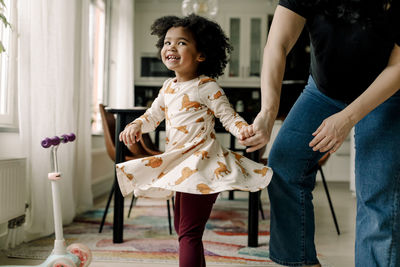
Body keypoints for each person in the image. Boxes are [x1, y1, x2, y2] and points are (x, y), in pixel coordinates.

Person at [239, 0, 400, 266]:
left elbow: (397, 67)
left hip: (386, 94)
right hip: (323, 91)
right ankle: (300, 262)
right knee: (284, 164)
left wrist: (348, 117)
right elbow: (277, 44)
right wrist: (268, 112)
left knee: (376, 193)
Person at [116, 14, 273, 267]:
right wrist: (136, 125)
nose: (171, 48)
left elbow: (228, 116)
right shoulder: (168, 87)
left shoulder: (206, 86)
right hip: (180, 167)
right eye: (167, 43)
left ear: (201, 55)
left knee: (188, 233)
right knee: (185, 231)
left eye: (181, 43)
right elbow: (153, 115)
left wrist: (243, 129)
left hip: (201, 165)